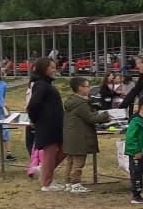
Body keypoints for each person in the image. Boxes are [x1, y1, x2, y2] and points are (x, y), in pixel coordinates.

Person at [61, 75, 112, 194]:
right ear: (80, 88)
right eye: (87, 86)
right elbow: (90, 118)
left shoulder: (72, 101)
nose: (89, 88)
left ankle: (68, 183)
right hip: (79, 137)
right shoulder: (81, 104)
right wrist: (106, 116)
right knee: (78, 162)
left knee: (70, 161)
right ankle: (75, 183)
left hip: (70, 136)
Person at [27, 57, 65, 191]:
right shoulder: (41, 85)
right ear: (44, 69)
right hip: (47, 125)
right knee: (50, 153)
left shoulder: (47, 84)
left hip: (56, 124)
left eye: (55, 67)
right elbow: (33, 105)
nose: (54, 70)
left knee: (66, 148)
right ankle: (47, 183)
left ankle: (43, 170)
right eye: (51, 67)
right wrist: (35, 119)